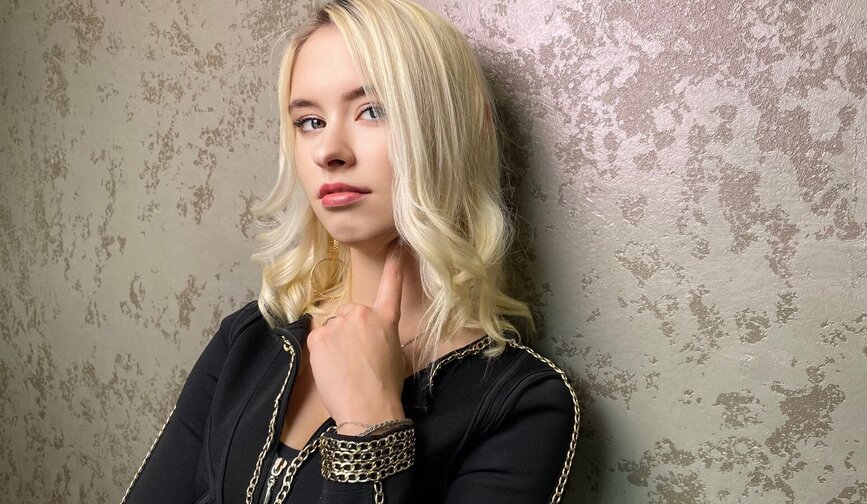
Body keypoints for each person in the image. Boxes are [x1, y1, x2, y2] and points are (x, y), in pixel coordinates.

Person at [119, 0, 579, 502]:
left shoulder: (521, 404)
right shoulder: (249, 340)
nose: (328, 151)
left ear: (461, 127)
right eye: (309, 121)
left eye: (372, 111)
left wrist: (370, 425)